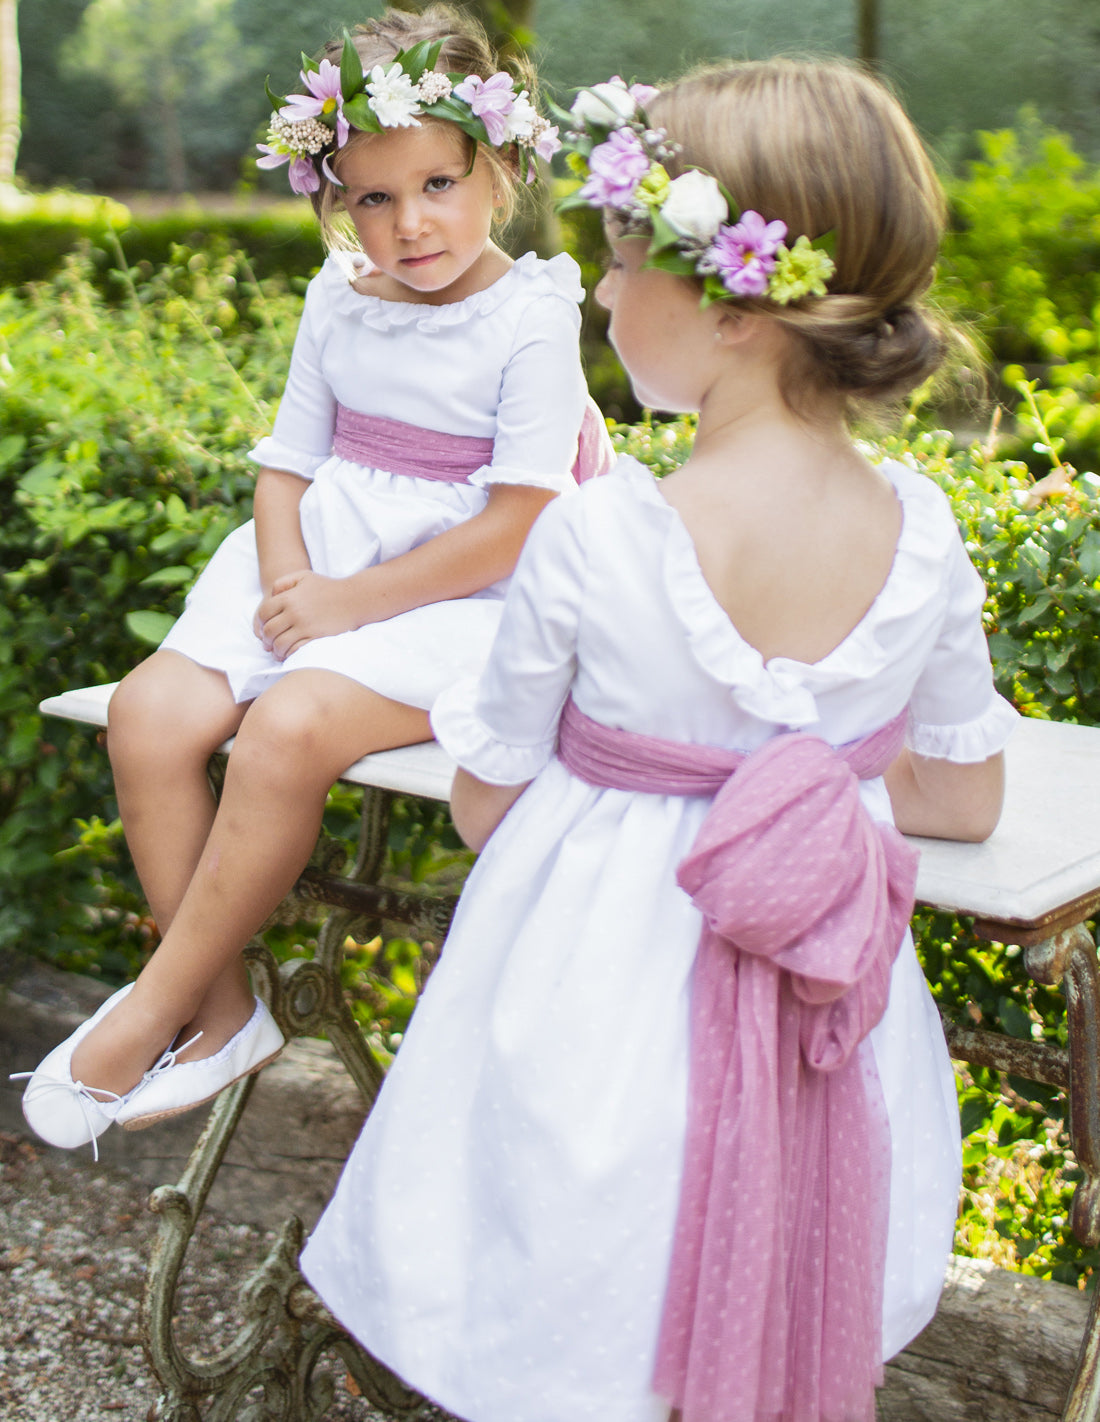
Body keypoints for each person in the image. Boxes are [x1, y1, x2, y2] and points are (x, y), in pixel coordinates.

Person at [299, 60, 1019, 1422]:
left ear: (739, 301)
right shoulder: (922, 530)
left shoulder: (599, 530)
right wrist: (815, 791)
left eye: (625, 260)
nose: (605, 295)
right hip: (826, 1020)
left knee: (587, 1295)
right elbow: (967, 795)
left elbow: (485, 804)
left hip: (599, 1008)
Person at [14, 3, 608, 1155]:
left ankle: (152, 1001)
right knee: (148, 715)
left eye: (437, 185)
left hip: (464, 594)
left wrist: (340, 612)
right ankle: (226, 1011)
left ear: (496, 170)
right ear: (336, 199)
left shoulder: (530, 312)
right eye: (372, 199)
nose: (408, 224)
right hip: (320, 555)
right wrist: (290, 583)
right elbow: (286, 465)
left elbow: (515, 526)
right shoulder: (339, 295)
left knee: (286, 727)